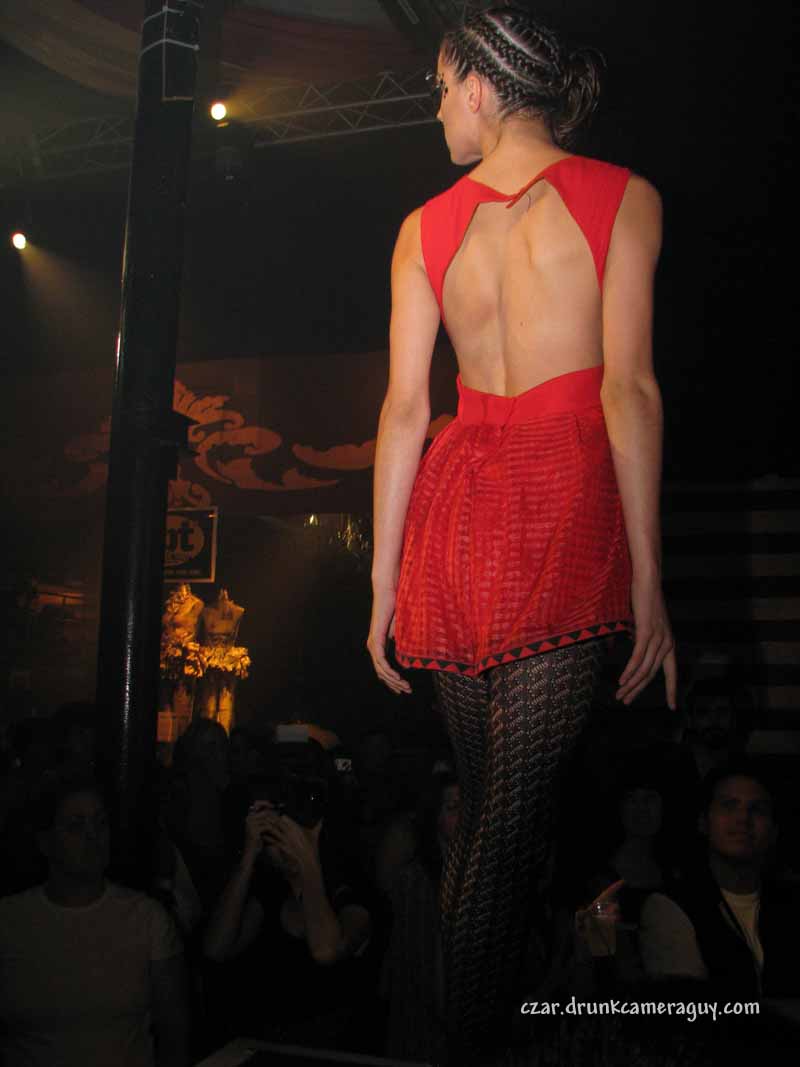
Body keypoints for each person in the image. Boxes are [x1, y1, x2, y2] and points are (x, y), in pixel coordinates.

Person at [366, 5, 676, 1054]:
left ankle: (451, 1031)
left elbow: (405, 410)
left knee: (491, 814)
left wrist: (385, 581)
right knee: (505, 822)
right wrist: (647, 576)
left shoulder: (423, 225)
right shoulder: (624, 197)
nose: (435, 108)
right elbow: (629, 389)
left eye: (440, 87)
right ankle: (464, 1044)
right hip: (562, 497)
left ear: (482, 87)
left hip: (457, 510)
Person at [0, 777, 189, 1067]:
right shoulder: (10, 921)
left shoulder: (146, 918)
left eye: (100, 823)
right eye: (76, 826)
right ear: (46, 842)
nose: (93, 837)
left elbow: (174, 1034)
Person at [202, 739, 372, 1050]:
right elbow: (216, 948)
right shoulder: (269, 891)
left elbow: (326, 950)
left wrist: (307, 856)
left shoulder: (350, 889)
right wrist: (249, 855)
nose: (284, 835)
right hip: (262, 1046)